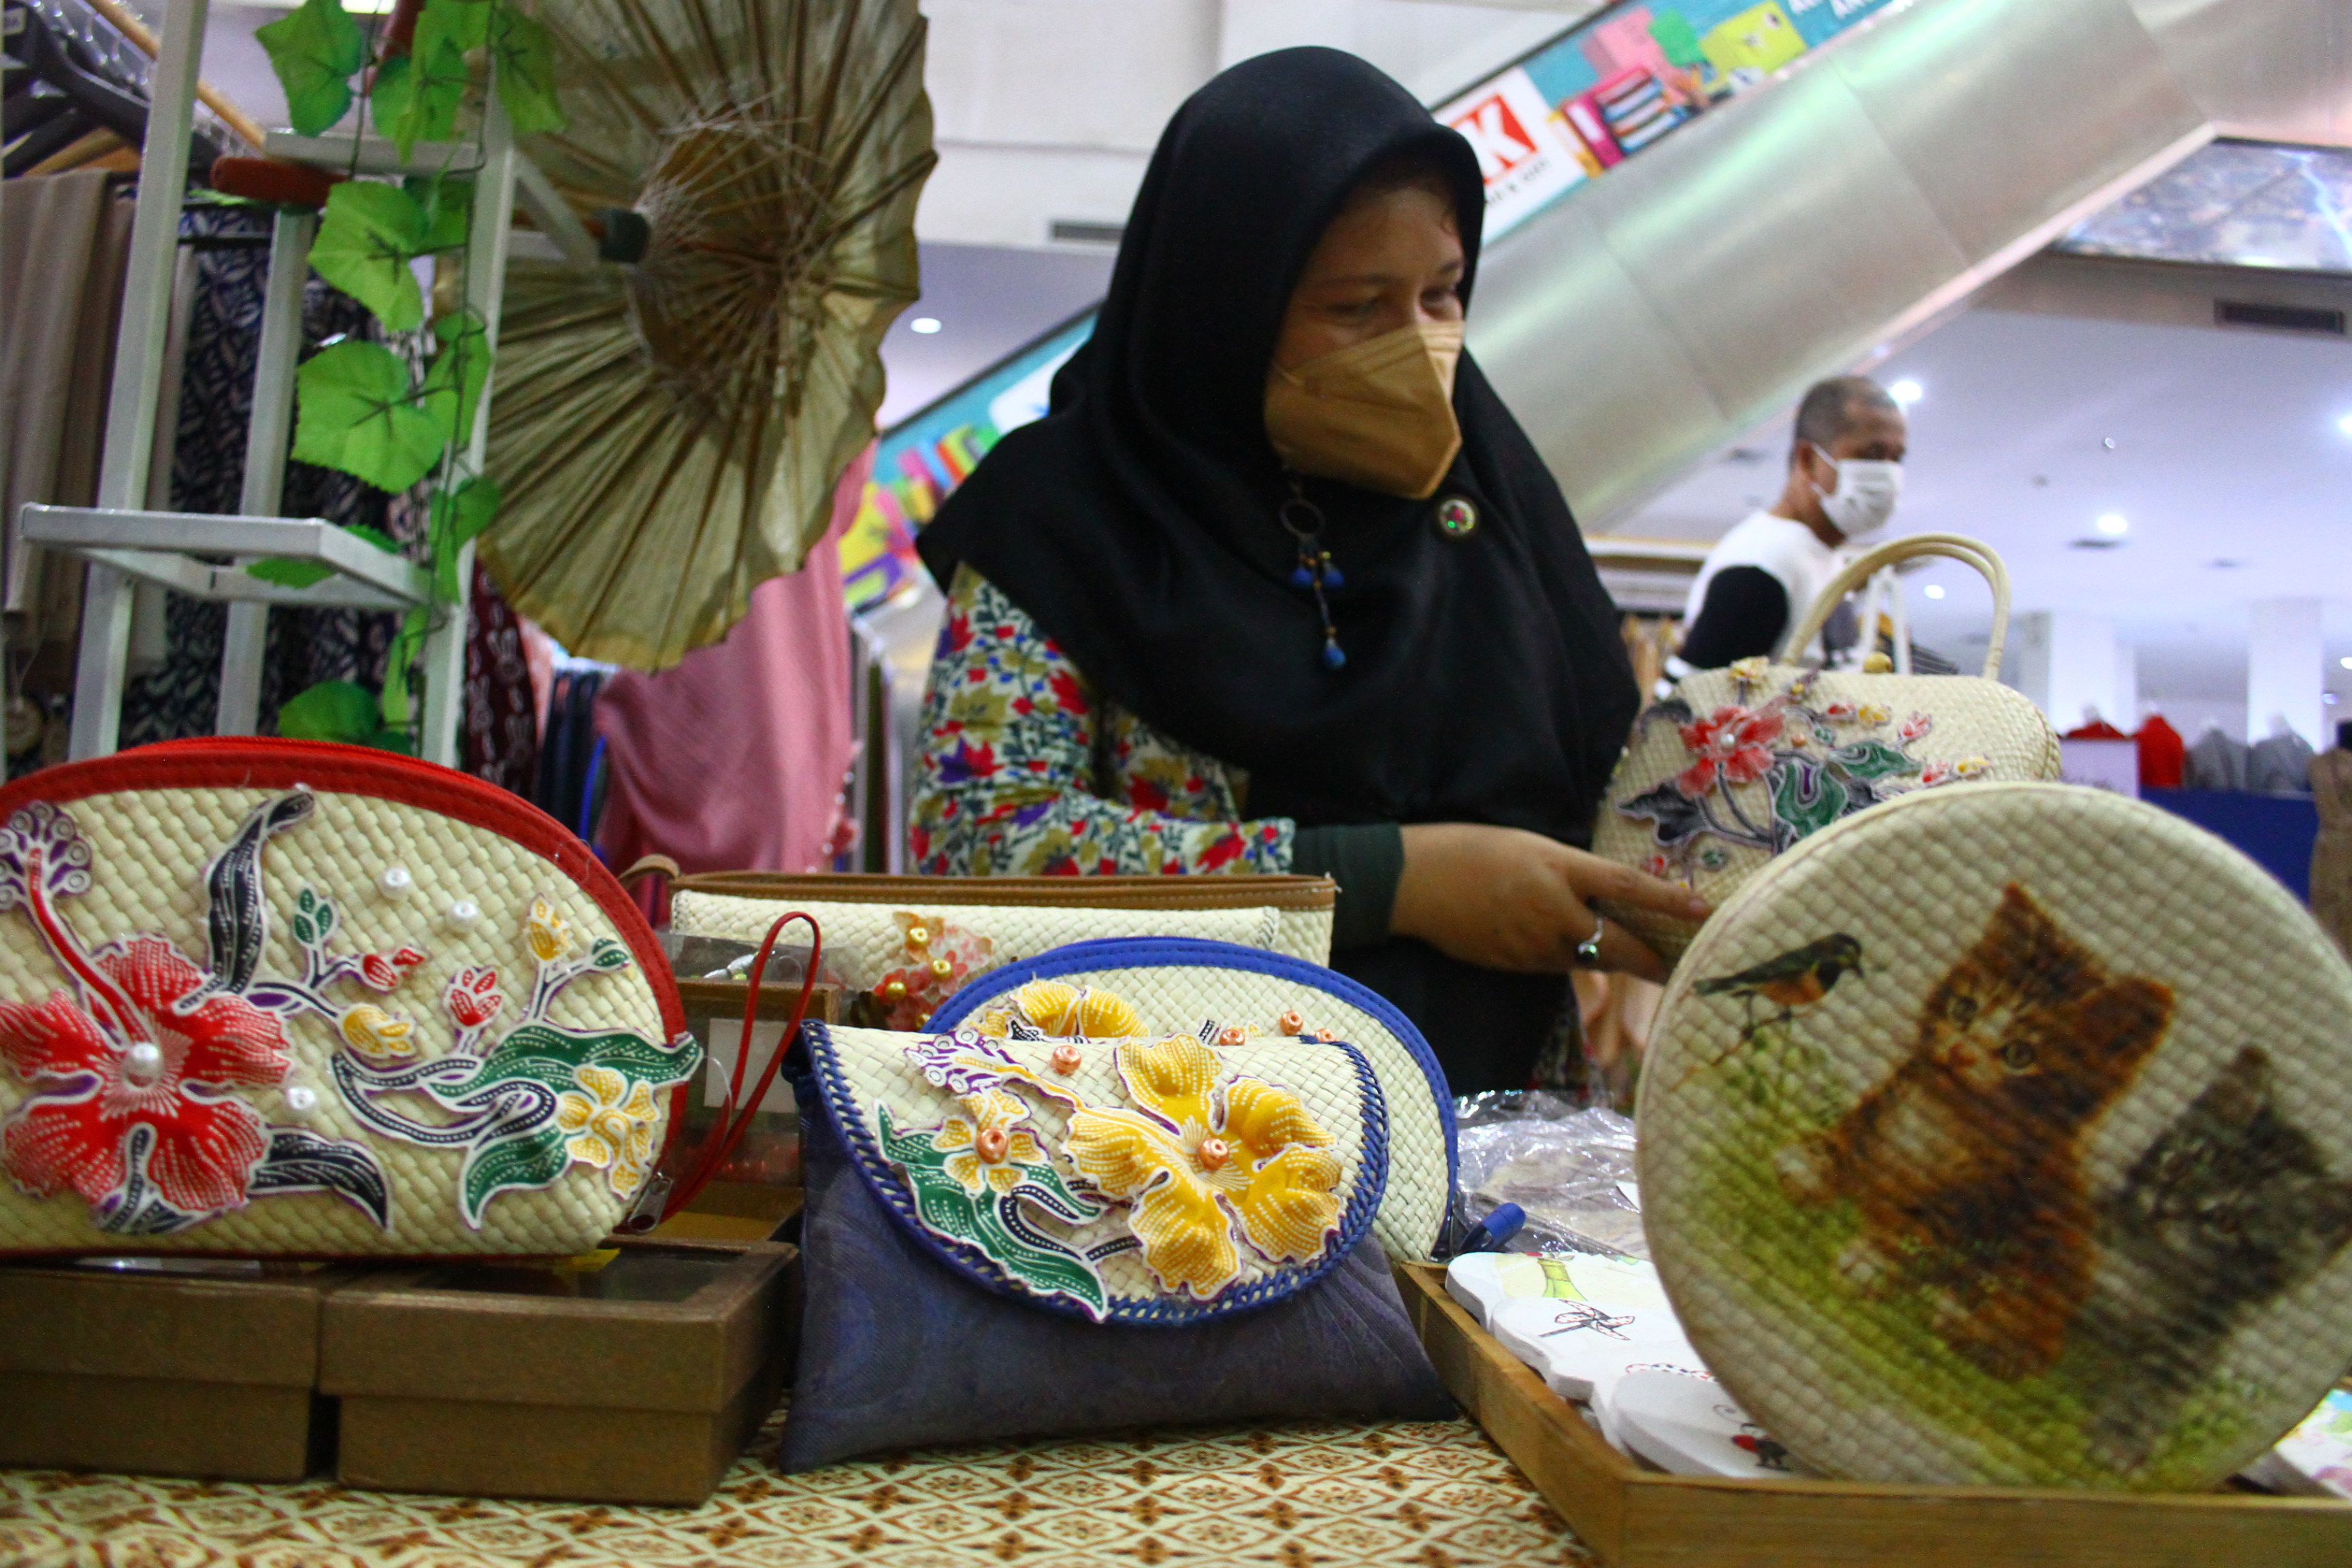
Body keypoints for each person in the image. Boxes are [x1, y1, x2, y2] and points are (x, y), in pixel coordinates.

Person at [905, 48, 1706, 1094]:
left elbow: (1606, 786)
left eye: (1442, 294)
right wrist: (1394, 882)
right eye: (1357, 306)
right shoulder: (1065, 512)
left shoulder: (1489, 501)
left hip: (1492, 1146)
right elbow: (981, 845)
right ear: (1225, 306)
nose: (1418, 347)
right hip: (1154, 1145)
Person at [1667, 376, 1907, 683]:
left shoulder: (1816, 554)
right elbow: (1688, 712)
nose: (1888, 473)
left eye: (1897, 458)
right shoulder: (1763, 565)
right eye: (1871, 455)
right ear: (1808, 459)